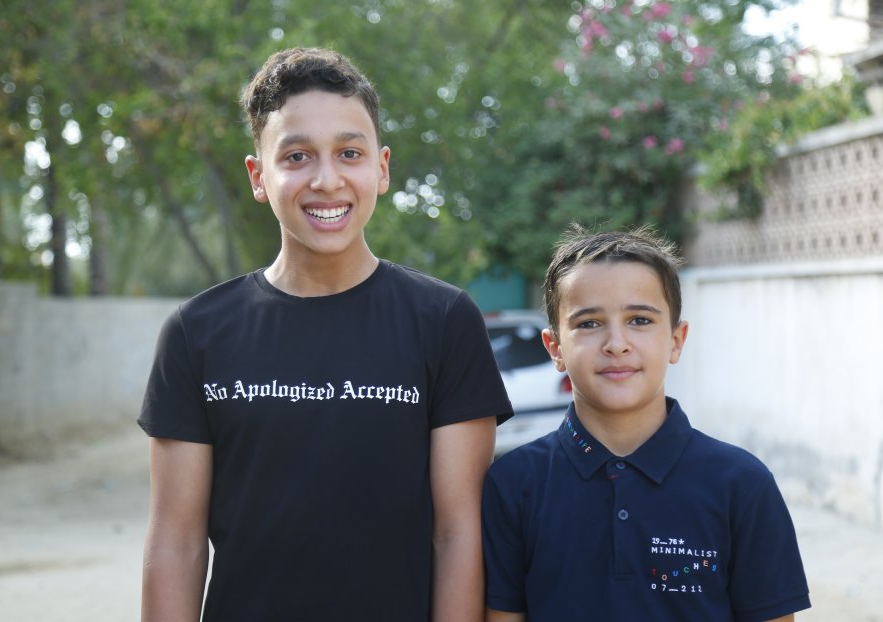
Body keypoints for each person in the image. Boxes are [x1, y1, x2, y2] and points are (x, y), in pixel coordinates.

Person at [138, 47, 513, 621]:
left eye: (349, 153)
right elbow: (176, 541)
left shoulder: (444, 321)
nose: (327, 179)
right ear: (258, 176)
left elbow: (458, 534)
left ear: (381, 169)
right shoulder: (197, 333)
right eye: (297, 156)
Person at [481, 225, 811, 621]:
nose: (616, 344)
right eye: (588, 323)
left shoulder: (742, 484)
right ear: (555, 348)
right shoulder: (513, 484)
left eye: (639, 320)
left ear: (676, 340)